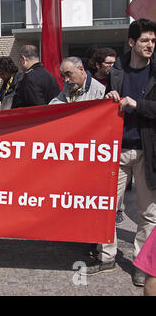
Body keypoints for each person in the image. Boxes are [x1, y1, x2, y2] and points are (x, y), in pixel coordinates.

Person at [82, 19, 156, 288]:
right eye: (145, 40)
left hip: (148, 151)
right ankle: (106, 256)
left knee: (148, 212)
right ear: (132, 42)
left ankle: (142, 263)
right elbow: (97, 105)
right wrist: (108, 99)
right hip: (116, 150)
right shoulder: (117, 71)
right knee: (106, 207)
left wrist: (139, 105)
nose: (150, 45)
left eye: (153, 41)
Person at [12, 45, 60, 109]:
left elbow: (36, 108)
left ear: (23, 59)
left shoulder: (29, 78)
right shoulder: (50, 75)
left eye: (20, 61)